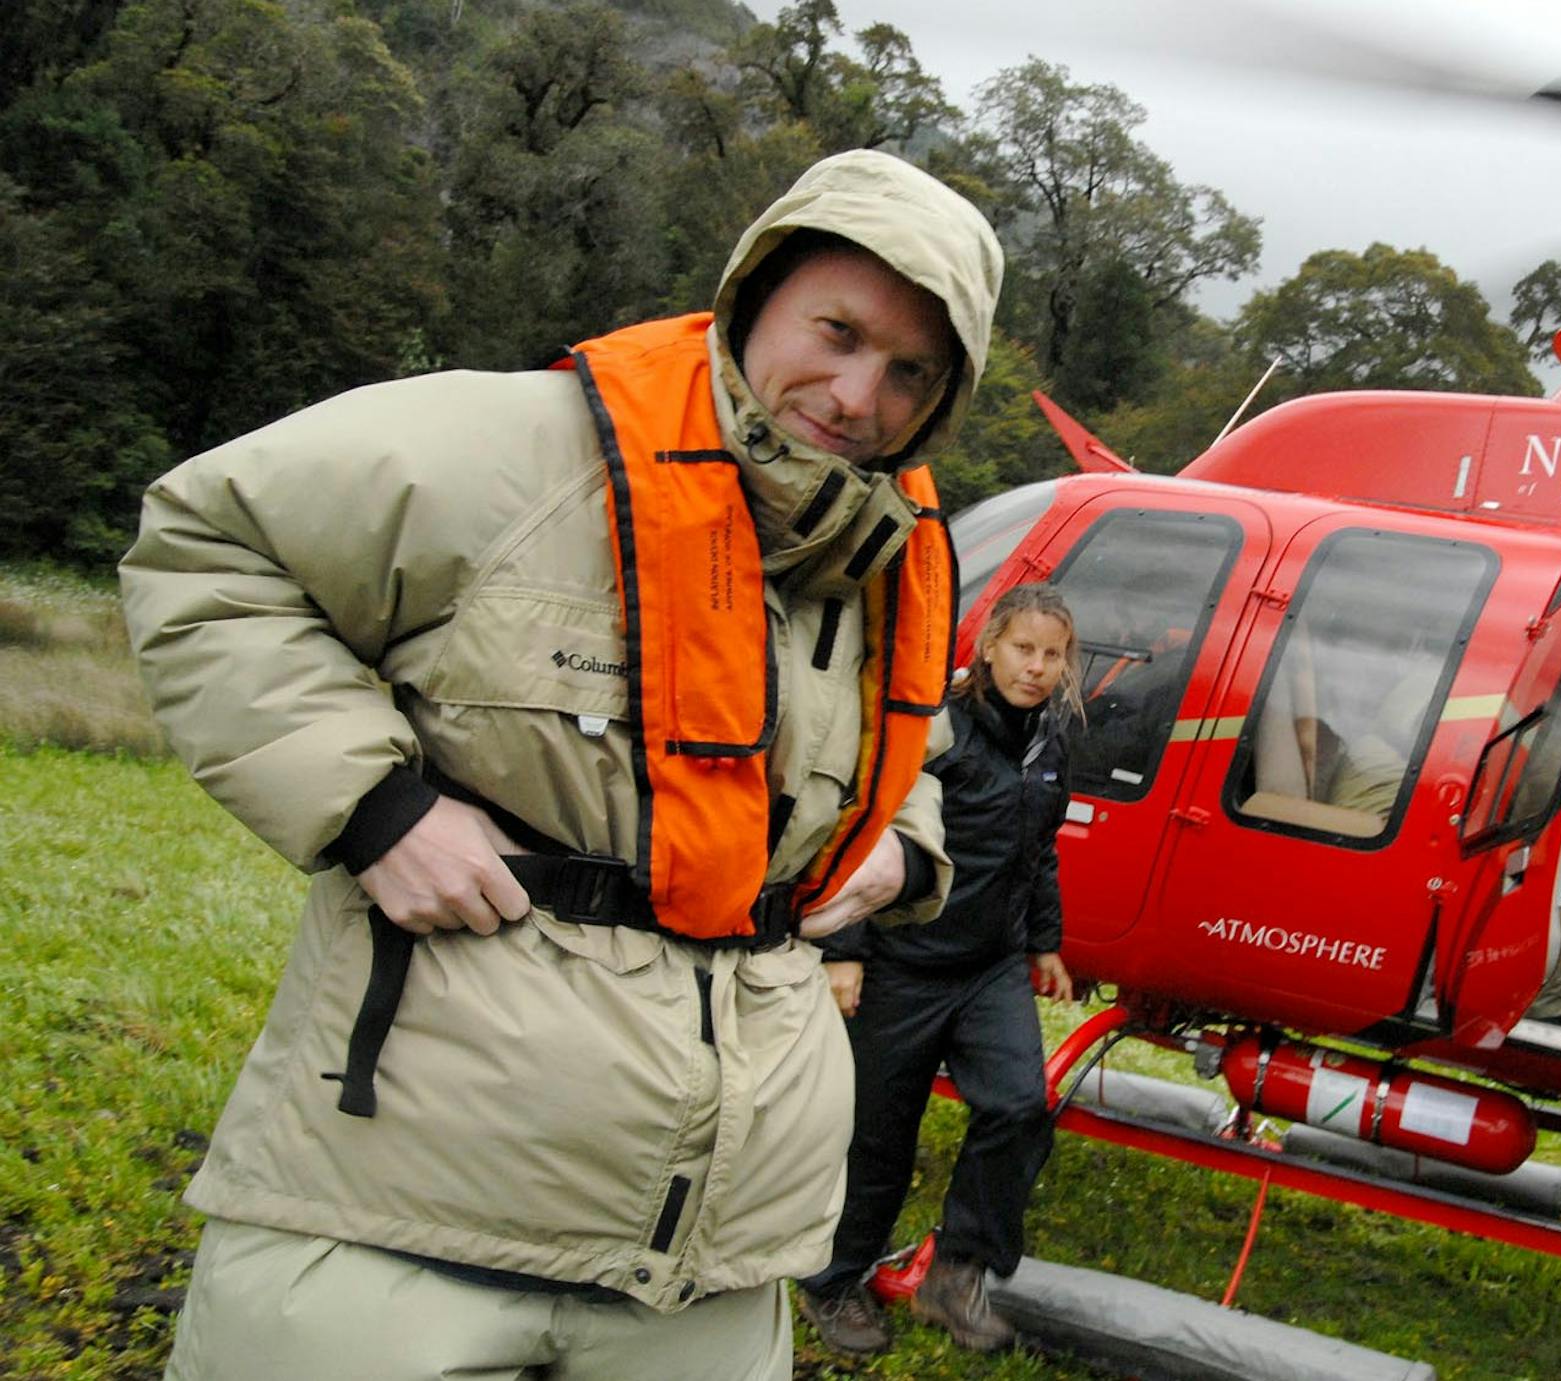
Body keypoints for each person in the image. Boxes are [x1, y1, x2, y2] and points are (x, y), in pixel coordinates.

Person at [119, 149, 1004, 1381]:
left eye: (910, 370)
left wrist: (901, 852)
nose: (858, 395)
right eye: (837, 331)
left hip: (708, 1268)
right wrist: (372, 806)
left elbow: (914, 749)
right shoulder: (515, 448)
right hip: (395, 1231)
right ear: (754, 298)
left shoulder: (888, 556)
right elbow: (211, 545)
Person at [796, 583, 1081, 1357]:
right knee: (879, 1137)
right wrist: (846, 949)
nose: (1037, 667)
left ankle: (956, 1269)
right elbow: (868, 828)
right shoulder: (940, 728)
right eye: (1024, 648)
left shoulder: (1051, 740)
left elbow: (1039, 849)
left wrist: (1045, 941)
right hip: (904, 961)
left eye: (1052, 655)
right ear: (989, 645)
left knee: (1021, 1105)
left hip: (990, 967)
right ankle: (834, 1280)